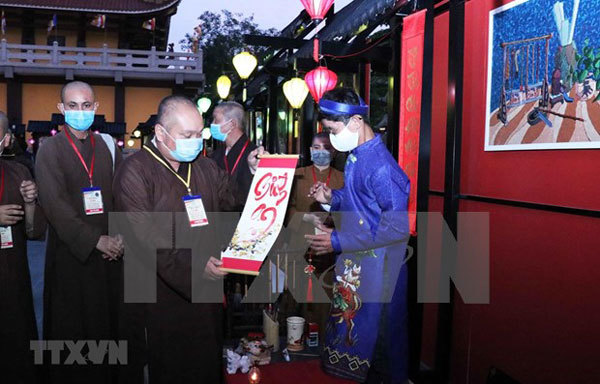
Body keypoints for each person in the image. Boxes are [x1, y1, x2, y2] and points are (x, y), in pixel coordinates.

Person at [113, 95, 240, 383]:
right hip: (159, 293)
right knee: (170, 366)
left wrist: (256, 172)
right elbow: (145, 237)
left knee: (206, 361)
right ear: (160, 132)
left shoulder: (204, 166)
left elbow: (232, 200)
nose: (196, 142)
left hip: (206, 289)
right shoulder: (134, 171)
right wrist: (195, 267)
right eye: (187, 135)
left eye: (199, 134)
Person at [306, 88, 410, 383]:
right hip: (362, 266)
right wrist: (331, 197)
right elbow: (361, 203)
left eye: (332, 129)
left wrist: (337, 241)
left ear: (354, 122)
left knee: (380, 349)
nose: (329, 138)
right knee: (357, 338)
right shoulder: (357, 156)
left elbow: (395, 230)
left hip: (383, 272)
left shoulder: (381, 167)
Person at [35, 81, 123, 383]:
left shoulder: (108, 146)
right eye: (72, 106)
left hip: (110, 255)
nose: (80, 112)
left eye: (86, 105)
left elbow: (121, 194)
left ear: (96, 108)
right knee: (72, 327)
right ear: (62, 110)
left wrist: (120, 236)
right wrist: (95, 240)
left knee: (107, 324)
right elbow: (55, 207)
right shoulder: (49, 150)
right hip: (71, 256)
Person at [0, 112, 45, 384]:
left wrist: (30, 203)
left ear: (5, 140)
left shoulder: (18, 172)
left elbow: (33, 231)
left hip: (13, 279)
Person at [285, 132, 344, 338]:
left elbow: (348, 213)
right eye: (316, 148)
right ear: (309, 151)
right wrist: (304, 218)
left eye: (326, 148)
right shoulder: (297, 174)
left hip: (327, 248)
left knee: (323, 301)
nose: (321, 152)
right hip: (298, 245)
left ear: (334, 151)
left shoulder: (342, 178)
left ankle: (321, 344)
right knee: (294, 299)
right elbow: (286, 209)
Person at [210, 101, 257, 205]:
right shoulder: (216, 155)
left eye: (216, 120)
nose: (212, 124)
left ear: (231, 124)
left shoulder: (254, 155)